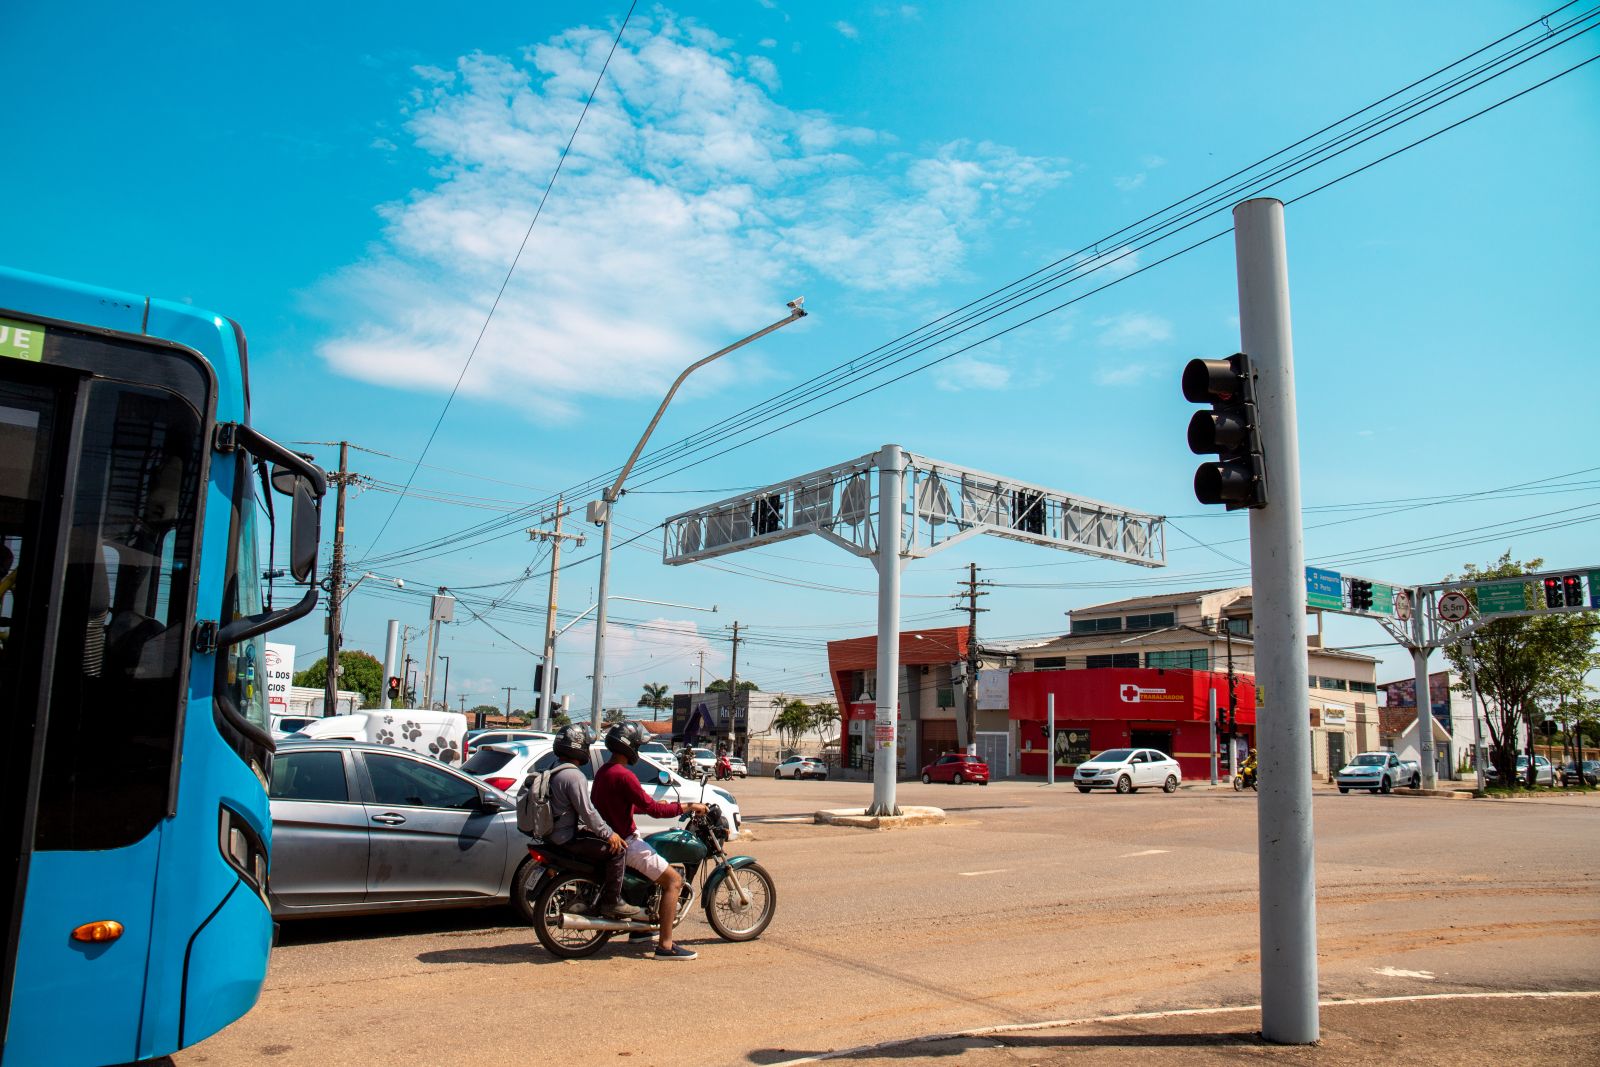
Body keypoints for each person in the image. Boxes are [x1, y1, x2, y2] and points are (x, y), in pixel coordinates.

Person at [595, 722, 707, 960]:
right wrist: (688, 806)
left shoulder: (604, 772)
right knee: (674, 881)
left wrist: (655, 805)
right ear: (628, 747)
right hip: (626, 842)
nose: (638, 750)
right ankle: (666, 946)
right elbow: (654, 811)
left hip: (611, 838)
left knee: (652, 873)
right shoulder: (624, 775)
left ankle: (641, 931)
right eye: (637, 745)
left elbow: (622, 805)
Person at [542, 723, 641, 920]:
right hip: (566, 837)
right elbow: (588, 812)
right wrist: (609, 834)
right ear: (578, 747)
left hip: (551, 835)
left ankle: (592, 890)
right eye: (586, 745)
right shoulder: (573, 775)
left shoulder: (553, 768)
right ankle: (612, 901)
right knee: (618, 850)